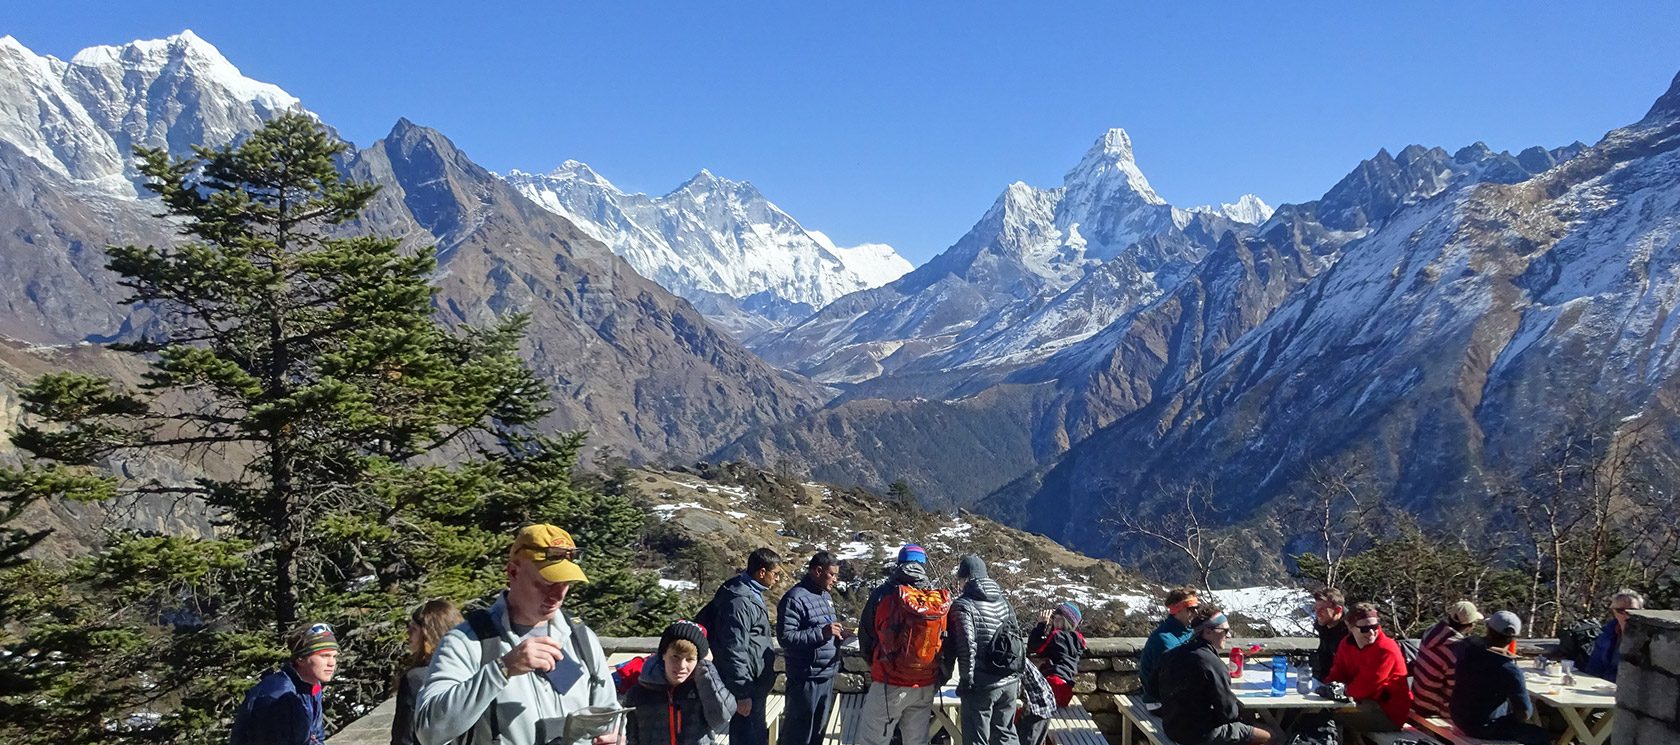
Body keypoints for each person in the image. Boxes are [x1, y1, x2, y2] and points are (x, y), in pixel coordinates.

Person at [415, 524, 620, 745]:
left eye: (566, 583)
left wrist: (612, 736)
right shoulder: (466, 641)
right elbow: (429, 731)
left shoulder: (581, 637)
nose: (558, 595)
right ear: (513, 572)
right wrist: (502, 669)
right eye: (547, 583)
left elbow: (609, 713)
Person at [856, 544, 951, 745]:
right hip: (924, 683)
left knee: (872, 740)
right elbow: (946, 642)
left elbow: (866, 638)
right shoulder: (934, 598)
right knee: (916, 741)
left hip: (889, 682)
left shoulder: (884, 594)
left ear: (900, 563)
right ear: (923, 565)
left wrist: (877, 666)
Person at [1156, 605, 1277, 745]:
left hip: (1172, 728)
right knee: (1271, 736)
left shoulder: (1170, 654)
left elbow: (1154, 689)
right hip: (1201, 735)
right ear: (1207, 632)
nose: (1229, 635)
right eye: (1225, 630)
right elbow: (1228, 714)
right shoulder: (1213, 664)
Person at [700, 548, 782, 745]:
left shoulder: (745, 590)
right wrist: (742, 693)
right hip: (747, 684)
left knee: (753, 733)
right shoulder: (740, 600)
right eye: (775, 573)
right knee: (749, 736)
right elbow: (734, 648)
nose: (777, 579)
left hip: (754, 680)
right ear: (762, 572)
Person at [949, 554, 1022, 745]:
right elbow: (1017, 639)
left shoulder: (963, 606)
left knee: (976, 739)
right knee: (1006, 735)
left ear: (965, 579)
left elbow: (966, 647)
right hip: (1010, 681)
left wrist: (966, 681)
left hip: (982, 684)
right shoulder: (1004, 601)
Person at [624, 620, 735, 745]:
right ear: (663, 655)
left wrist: (707, 668)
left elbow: (722, 716)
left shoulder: (702, 687)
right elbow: (631, 736)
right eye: (675, 657)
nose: (682, 666)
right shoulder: (639, 693)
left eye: (689, 659)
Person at [231, 621, 341, 745]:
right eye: (324, 656)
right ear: (301, 659)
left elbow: (315, 737)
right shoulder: (277, 697)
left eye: (334, 656)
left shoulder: (312, 685)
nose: (332, 663)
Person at [1450, 611, 1550, 745]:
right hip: (1483, 727)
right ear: (1514, 639)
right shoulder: (1509, 670)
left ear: (1488, 630)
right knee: (1541, 736)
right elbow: (1525, 713)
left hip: (1458, 716)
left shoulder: (1466, 647)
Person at [778, 551, 845, 745]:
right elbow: (786, 637)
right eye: (832, 574)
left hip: (826, 675)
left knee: (817, 734)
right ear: (817, 571)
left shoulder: (825, 596)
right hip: (805, 679)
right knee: (798, 735)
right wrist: (822, 633)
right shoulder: (795, 598)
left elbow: (823, 629)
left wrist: (838, 635)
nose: (835, 579)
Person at [1324, 603, 1410, 735]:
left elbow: (1366, 686)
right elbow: (1338, 671)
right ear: (1350, 626)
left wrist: (1342, 691)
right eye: (1364, 628)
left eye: (1374, 627)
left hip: (1387, 712)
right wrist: (1327, 688)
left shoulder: (1386, 649)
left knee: (1328, 718)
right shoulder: (1346, 644)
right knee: (1316, 713)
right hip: (1361, 703)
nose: (1371, 633)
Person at [393, 600, 464, 745]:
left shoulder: (416, 679)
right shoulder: (470, 670)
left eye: (413, 628)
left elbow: (404, 737)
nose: (408, 633)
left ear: (427, 633)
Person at [1410, 600, 1481, 719]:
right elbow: (1455, 688)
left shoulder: (1431, 632)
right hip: (1433, 707)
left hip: (1418, 698)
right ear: (1470, 626)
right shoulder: (1455, 650)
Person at [1136, 587, 1198, 709]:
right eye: (1191, 609)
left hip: (1172, 696)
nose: (1196, 613)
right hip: (1159, 702)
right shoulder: (1164, 640)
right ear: (1178, 611)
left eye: (1197, 608)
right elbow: (1171, 679)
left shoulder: (1188, 631)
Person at [1027, 601, 1087, 708]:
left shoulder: (1056, 636)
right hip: (1066, 689)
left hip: (1053, 684)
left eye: (1059, 619)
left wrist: (1041, 624)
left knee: (1025, 715)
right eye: (1054, 619)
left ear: (1067, 622)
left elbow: (1033, 646)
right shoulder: (1079, 639)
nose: (1055, 622)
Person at [1584, 589, 1644, 681]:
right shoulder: (1606, 634)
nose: (1626, 614)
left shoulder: (1647, 639)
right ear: (1613, 611)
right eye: (1620, 610)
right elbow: (1594, 667)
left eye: (1632, 611)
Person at [1309, 587, 1348, 682]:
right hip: (1324, 680)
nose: (1317, 613)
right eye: (1315, 609)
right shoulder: (1324, 626)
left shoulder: (1352, 633)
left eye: (1322, 609)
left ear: (1338, 610)